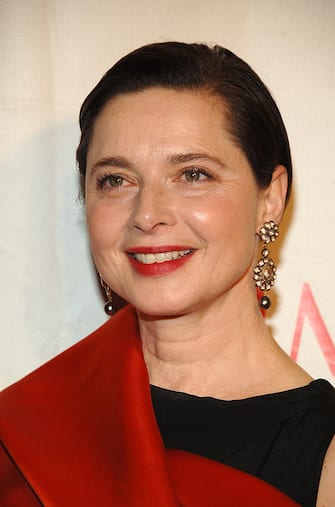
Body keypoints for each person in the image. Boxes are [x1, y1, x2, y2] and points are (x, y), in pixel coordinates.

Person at [0, 42, 334, 507]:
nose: (148, 214)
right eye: (116, 180)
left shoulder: (326, 458)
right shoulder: (26, 423)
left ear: (270, 198)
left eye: (193, 174)